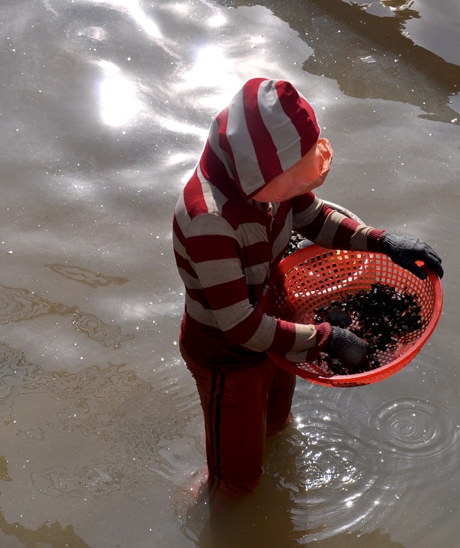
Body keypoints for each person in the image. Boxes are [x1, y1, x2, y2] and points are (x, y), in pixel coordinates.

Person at [173, 78, 443, 496]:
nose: (299, 188)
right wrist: (328, 338)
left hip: (278, 330)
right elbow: (240, 327)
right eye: (293, 180)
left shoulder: (266, 181)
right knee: (238, 482)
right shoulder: (209, 220)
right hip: (227, 355)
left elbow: (314, 220)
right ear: (259, 172)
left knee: (277, 426)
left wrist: (381, 241)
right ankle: (215, 504)